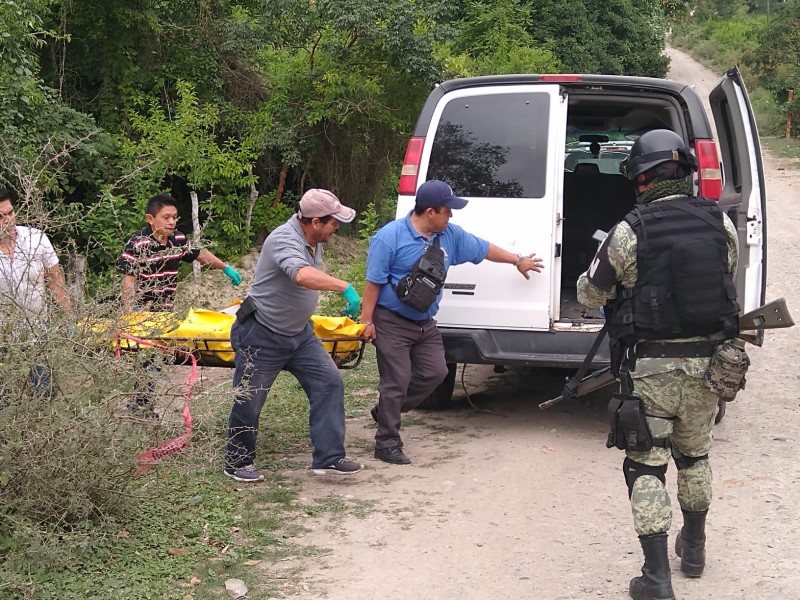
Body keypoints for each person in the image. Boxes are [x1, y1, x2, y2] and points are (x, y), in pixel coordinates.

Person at [576, 129, 740, 600]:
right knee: (696, 457)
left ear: (642, 178)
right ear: (686, 173)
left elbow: (591, 294)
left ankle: (655, 578)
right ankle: (693, 550)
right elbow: (722, 276)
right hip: (711, 367)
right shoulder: (720, 223)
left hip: (652, 372)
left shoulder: (631, 230)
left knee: (647, 467)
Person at [360, 179, 545, 465]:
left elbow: (483, 248)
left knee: (435, 373)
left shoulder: (449, 235)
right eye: (447, 210)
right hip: (391, 320)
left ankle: (387, 409)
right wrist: (367, 321)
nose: (451, 216)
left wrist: (516, 259)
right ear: (430, 211)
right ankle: (387, 443)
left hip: (425, 322)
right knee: (395, 381)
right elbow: (373, 282)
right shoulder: (389, 237)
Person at [224, 188, 364, 482]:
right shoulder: (284, 238)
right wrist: (344, 286)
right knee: (249, 399)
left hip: (300, 335)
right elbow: (300, 274)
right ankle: (237, 462)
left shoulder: (314, 239)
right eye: (333, 222)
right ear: (315, 222)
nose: (336, 227)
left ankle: (329, 457)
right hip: (261, 333)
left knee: (329, 382)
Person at [118, 193, 242, 412]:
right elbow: (128, 280)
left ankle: (141, 405)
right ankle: (139, 407)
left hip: (165, 312)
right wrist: (129, 312)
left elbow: (199, 255)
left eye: (174, 217)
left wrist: (225, 268)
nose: (171, 222)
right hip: (142, 313)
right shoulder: (139, 243)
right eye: (166, 217)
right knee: (149, 361)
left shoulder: (177, 240)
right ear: (150, 218)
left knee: (155, 361)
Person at [0, 188, 73, 398]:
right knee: (7, 400)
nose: (8, 220)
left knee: (45, 394)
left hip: (37, 334)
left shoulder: (36, 238)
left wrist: (70, 320)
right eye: (1, 216)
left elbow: (56, 281)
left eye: (10, 213)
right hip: (3, 341)